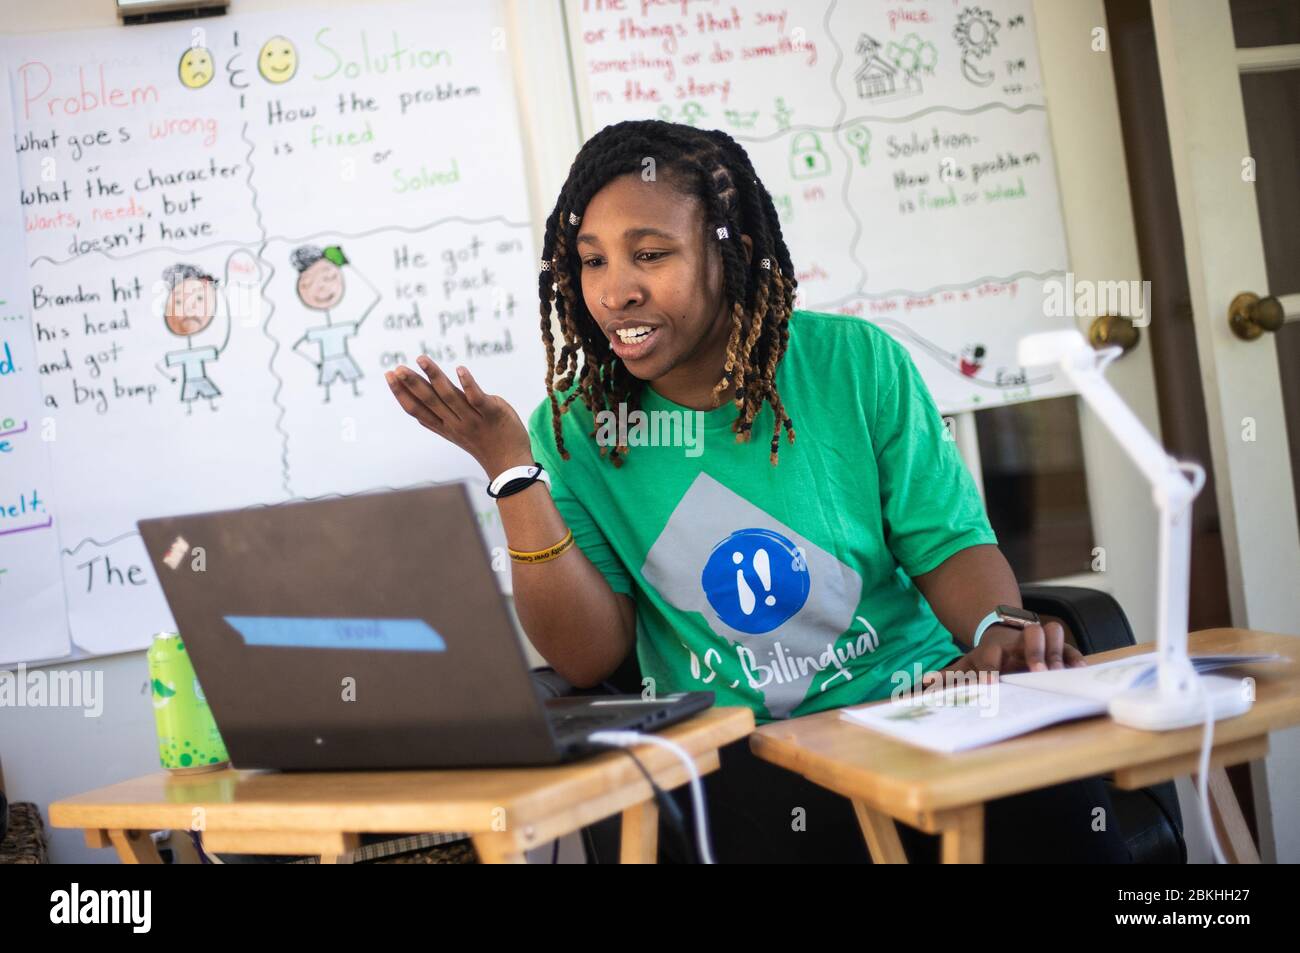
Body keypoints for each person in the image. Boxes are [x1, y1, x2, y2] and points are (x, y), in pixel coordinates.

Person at [385, 119, 1130, 863]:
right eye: (590, 262)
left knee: (1047, 792)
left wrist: (996, 629)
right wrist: (512, 470)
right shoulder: (578, 429)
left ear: (731, 251)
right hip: (736, 753)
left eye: (649, 254)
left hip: (913, 709)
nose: (614, 292)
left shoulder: (856, 364)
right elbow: (586, 657)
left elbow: (949, 544)